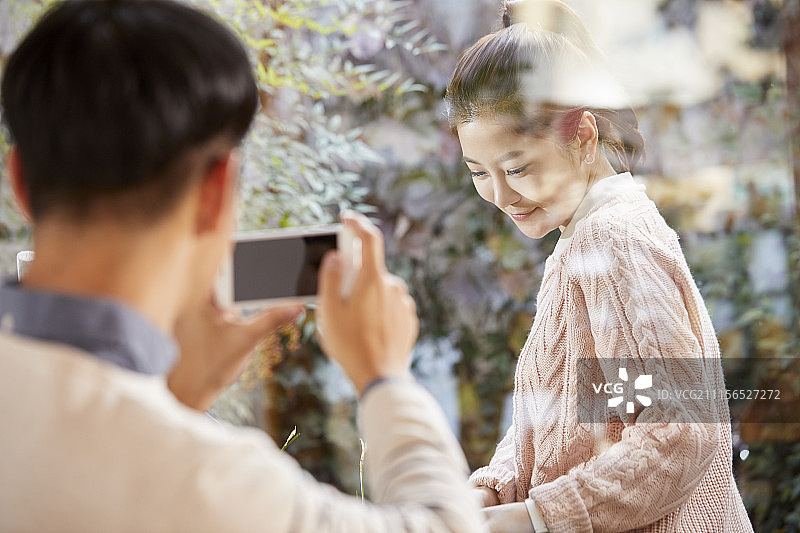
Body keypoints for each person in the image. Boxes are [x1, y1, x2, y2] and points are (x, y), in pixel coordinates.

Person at [0, 1, 485, 531]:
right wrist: (384, 378)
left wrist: (176, 401)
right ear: (217, 190)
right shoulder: (210, 482)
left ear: (19, 181)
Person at [444, 1, 753, 531]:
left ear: (583, 135)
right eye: (479, 172)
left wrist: (540, 517)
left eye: (517, 167)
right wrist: (497, 488)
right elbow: (578, 412)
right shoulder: (586, 237)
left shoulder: (613, 242)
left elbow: (681, 431)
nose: (498, 195)